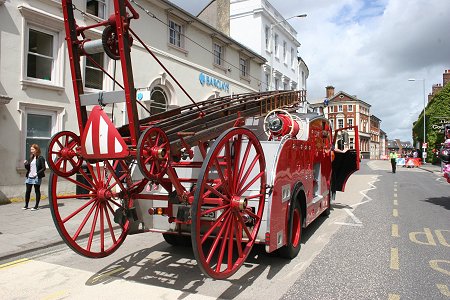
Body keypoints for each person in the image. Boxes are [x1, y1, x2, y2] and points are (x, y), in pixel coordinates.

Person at [23, 144, 46, 210]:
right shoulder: (31, 158)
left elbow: (44, 168)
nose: (31, 151)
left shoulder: (41, 158)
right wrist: (26, 164)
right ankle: (26, 205)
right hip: (29, 176)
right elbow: (28, 168)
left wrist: (37, 173)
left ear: (36, 150)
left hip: (36, 177)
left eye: (32, 149)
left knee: (37, 190)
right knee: (28, 191)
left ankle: (36, 206)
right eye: (31, 149)